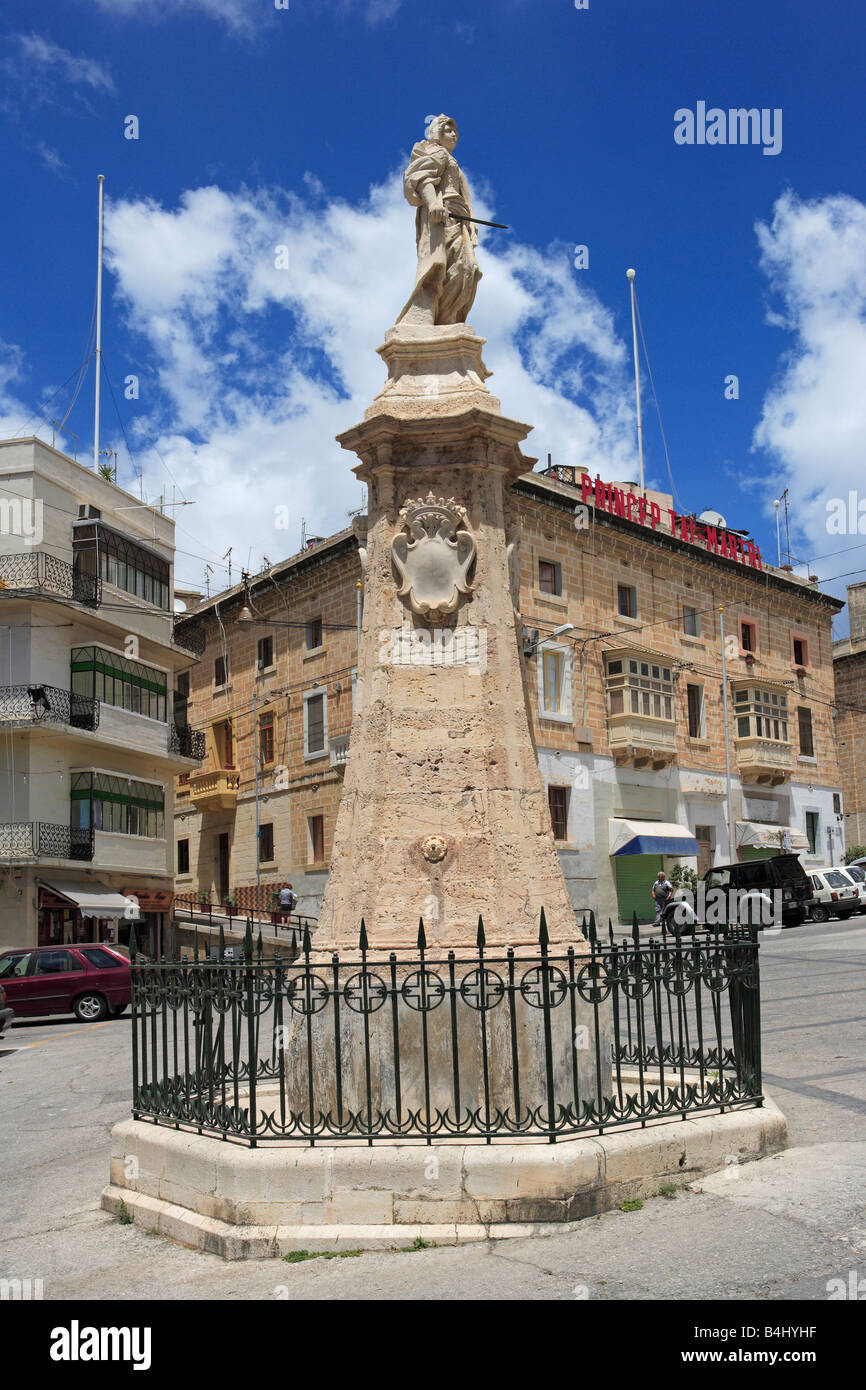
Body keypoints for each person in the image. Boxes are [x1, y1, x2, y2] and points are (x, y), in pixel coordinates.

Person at [397, 114, 482, 327]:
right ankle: (427, 317)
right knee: (438, 265)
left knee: (468, 268)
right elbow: (421, 177)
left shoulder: (453, 162)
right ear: (436, 132)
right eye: (448, 130)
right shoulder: (437, 153)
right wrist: (434, 203)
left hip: (458, 218)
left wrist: (470, 224)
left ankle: (447, 318)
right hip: (441, 216)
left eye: (455, 131)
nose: (453, 134)